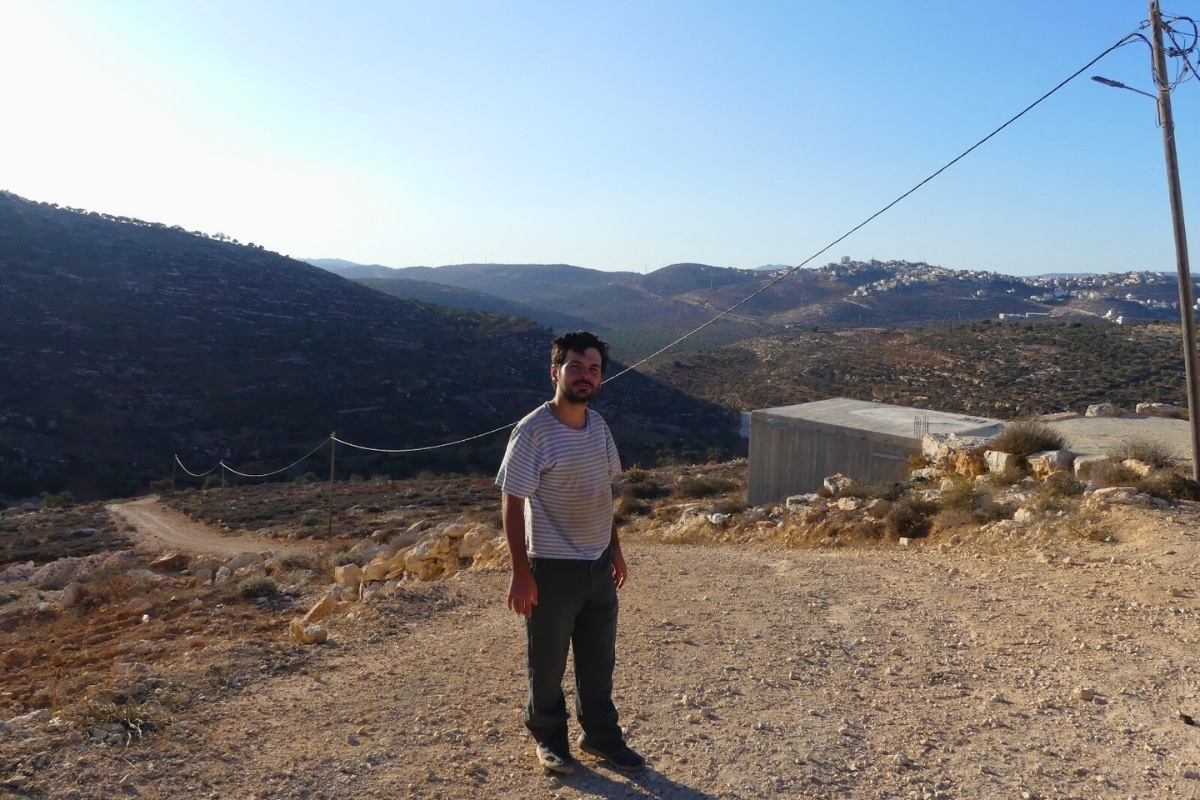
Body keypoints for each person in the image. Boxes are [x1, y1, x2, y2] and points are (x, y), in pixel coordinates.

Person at [495, 330, 645, 775]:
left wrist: (615, 550)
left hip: (598, 563)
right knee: (547, 663)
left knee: (599, 661)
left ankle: (600, 736)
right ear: (555, 372)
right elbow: (512, 501)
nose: (585, 375)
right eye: (575, 366)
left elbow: (604, 495)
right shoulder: (532, 431)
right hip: (552, 567)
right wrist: (520, 573)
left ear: (601, 378)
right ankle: (549, 738)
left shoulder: (598, 427)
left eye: (593, 369)